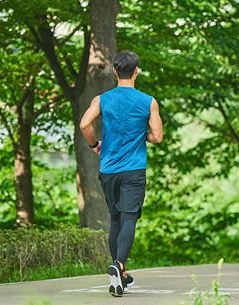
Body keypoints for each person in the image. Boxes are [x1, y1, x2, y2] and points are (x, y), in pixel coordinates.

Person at [79, 50, 163, 297]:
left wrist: (95, 145)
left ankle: (121, 275)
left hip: (109, 170)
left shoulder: (101, 99)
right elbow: (157, 136)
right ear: (136, 71)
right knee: (128, 219)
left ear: (115, 71)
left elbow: (85, 125)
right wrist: (139, 136)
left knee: (115, 219)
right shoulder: (148, 102)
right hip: (134, 170)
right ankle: (119, 266)